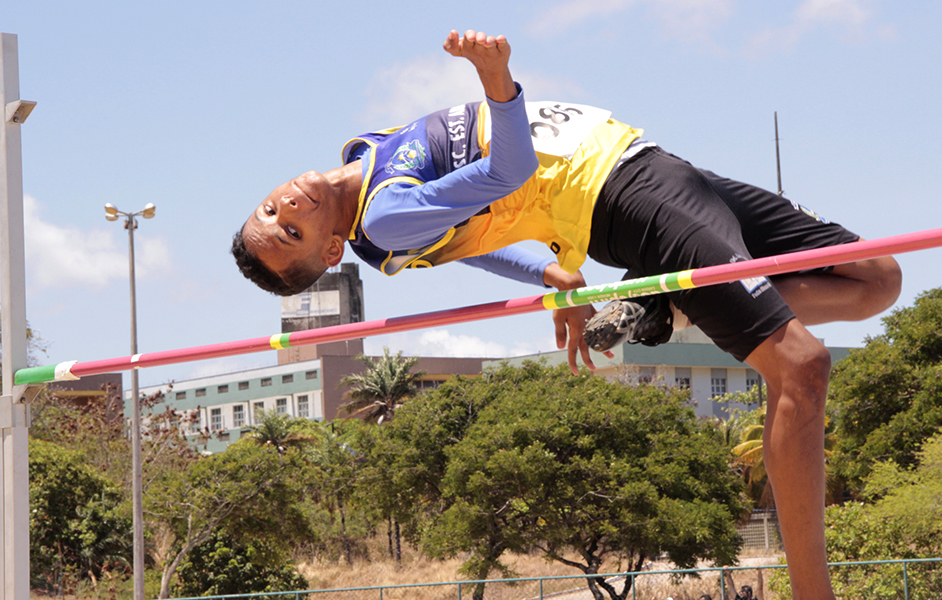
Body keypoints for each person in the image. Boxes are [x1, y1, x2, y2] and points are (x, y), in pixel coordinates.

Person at [233, 30, 901, 600]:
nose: (284, 209)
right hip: (619, 197)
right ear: (327, 250)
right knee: (803, 367)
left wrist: (542, 276)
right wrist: (497, 82)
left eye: (270, 212)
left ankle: (663, 302)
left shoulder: (365, 157)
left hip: (648, 163)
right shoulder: (382, 213)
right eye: (289, 232)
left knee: (876, 279)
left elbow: (458, 244)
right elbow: (508, 170)